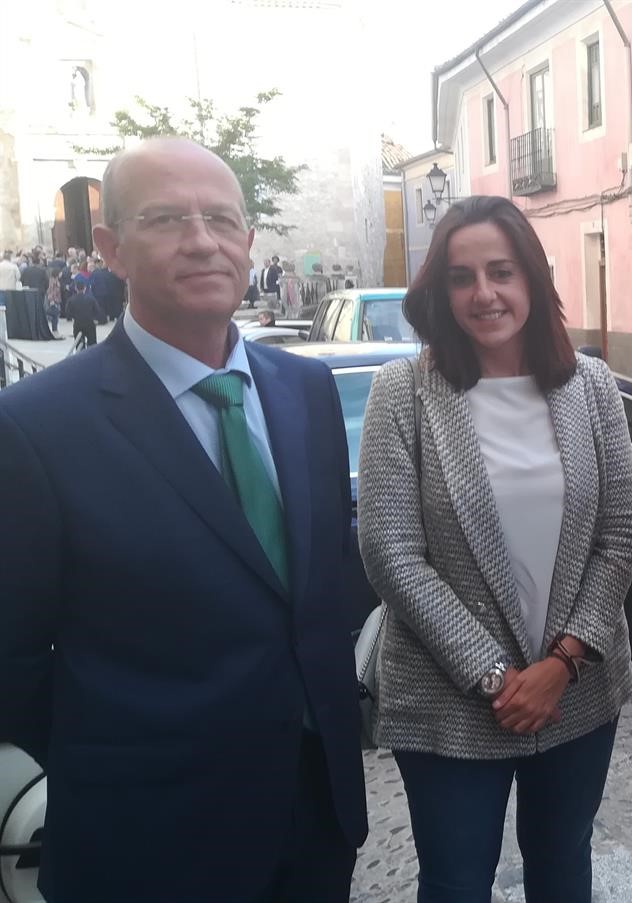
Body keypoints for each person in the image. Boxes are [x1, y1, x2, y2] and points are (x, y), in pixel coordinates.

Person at [0, 137, 368, 902]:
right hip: (146, 842)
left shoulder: (306, 390)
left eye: (220, 219)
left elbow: (323, 583)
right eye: (166, 219)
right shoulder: (34, 427)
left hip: (313, 819)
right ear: (111, 249)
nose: (201, 241)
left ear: (248, 241)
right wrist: (124, 759)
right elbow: (14, 663)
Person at [357, 195, 632, 903]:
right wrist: (495, 676)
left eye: (501, 271)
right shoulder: (403, 392)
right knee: (455, 881)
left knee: (563, 865)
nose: (483, 293)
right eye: (461, 276)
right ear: (438, 291)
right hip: (451, 697)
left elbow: (619, 535)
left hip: (575, 690)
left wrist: (560, 664)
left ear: (533, 281)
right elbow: (391, 549)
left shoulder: (591, 386)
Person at [87, 255, 127, 322]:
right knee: (116, 306)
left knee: (105, 306)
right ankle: (115, 317)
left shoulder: (99, 273)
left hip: (105, 292)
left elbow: (92, 284)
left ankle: (108, 317)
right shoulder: (112, 273)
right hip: (113, 292)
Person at [63, 277, 101, 346]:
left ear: (75, 288)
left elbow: (67, 312)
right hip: (90, 323)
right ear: (85, 288)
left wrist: (73, 317)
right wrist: (94, 318)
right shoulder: (90, 299)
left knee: (79, 344)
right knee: (92, 343)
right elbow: (97, 310)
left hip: (78, 323)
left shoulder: (71, 300)